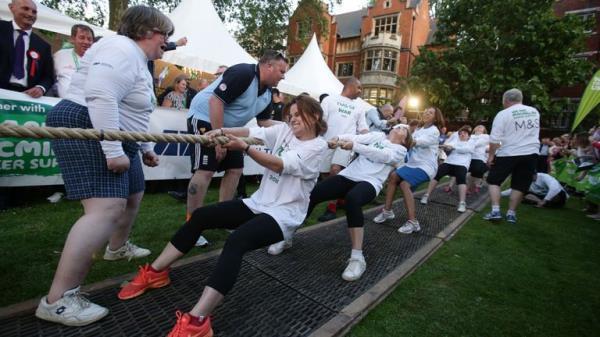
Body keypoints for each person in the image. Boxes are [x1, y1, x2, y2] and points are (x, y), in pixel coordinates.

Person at [117, 95, 327, 337]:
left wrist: (245, 148)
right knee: (201, 216)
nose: (293, 120)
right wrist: (220, 131)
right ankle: (155, 273)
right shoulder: (285, 131)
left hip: (284, 215)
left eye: (299, 115)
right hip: (259, 203)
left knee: (237, 241)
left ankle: (198, 321)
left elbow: (279, 164)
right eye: (290, 115)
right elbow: (250, 130)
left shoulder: (316, 146)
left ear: (316, 116)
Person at [34, 6, 172, 326]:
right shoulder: (122, 47)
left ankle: (116, 247)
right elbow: (100, 94)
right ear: (148, 32)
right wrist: (112, 150)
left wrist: (144, 147)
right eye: (165, 35)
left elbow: (134, 110)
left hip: (112, 128)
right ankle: (58, 300)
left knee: (134, 191)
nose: (167, 42)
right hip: (88, 121)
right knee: (107, 208)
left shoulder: (136, 58)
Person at [269, 125, 411, 281]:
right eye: (397, 126)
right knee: (313, 193)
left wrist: (355, 147)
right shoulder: (378, 136)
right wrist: (339, 138)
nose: (399, 127)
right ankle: (288, 235)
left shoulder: (401, 150)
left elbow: (383, 156)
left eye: (403, 128)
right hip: (348, 175)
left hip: (370, 182)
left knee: (353, 199)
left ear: (405, 139)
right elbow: (355, 137)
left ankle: (358, 258)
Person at [185, 51, 287, 247]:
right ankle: (191, 223)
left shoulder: (267, 93)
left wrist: (289, 127)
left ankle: (223, 217)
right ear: (268, 67)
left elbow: (264, 122)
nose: (283, 76)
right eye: (281, 71)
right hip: (205, 118)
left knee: (235, 170)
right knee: (206, 170)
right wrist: (218, 139)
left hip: (230, 129)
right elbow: (215, 101)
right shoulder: (243, 73)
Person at [373, 107, 445, 234]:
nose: (426, 113)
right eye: (426, 111)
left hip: (426, 166)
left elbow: (416, 142)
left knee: (404, 184)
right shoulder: (419, 129)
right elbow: (407, 141)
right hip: (412, 164)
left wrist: (400, 138)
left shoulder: (434, 131)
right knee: (394, 176)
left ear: (436, 117)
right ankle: (387, 211)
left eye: (431, 112)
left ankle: (413, 223)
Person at [483, 88, 540, 224]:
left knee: (493, 180)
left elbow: (494, 139)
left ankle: (495, 211)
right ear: (520, 99)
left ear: (506, 100)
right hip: (531, 152)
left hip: (509, 152)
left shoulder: (503, 114)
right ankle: (511, 213)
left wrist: (491, 156)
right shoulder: (534, 112)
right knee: (520, 184)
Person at [317, 77, 369, 222]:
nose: (360, 91)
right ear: (349, 86)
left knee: (335, 170)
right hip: (327, 142)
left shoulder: (359, 107)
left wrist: (371, 140)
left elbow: (363, 128)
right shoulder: (329, 100)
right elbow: (322, 120)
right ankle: (340, 198)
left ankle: (331, 208)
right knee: (326, 174)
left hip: (346, 144)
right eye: (359, 88)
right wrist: (319, 129)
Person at [0, 0, 54, 98]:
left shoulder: (44, 46)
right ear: (12, 8)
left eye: (34, 12)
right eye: (25, 8)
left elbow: (48, 76)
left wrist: (41, 88)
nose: (30, 14)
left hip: (27, 98)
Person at [421, 126, 474, 213]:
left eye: (465, 133)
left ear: (469, 136)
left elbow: (467, 149)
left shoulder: (471, 143)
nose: (462, 134)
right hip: (449, 162)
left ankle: (462, 203)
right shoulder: (454, 141)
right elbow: (447, 147)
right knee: (437, 176)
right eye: (461, 133)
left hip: (462, 165)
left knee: (461, 180)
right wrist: (446, 148)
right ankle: (426, 195)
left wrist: (453, 148)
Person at [53, 24, 94, 98]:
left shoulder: (97, 59)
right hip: (61, 103)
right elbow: (48, 77)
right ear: (72, 39)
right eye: (82, 38)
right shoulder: (60, 55)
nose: (86, 42)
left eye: (89, 39)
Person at [501, 172, 568, 208]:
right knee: (525, 195)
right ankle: (542, 203)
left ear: (535, 174)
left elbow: (555, 189)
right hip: (542, 197)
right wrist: (499, 194)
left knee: (556, 195)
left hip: (559, 195)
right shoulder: (526, 181)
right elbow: (515, 190)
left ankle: (544, 204)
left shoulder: (544, 177)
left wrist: (544, 201)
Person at [467, 125, 490, 193]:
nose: (480, 127)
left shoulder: (485, 136)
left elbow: (477, 144)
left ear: (484, 130)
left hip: (478, 157)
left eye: (482, 127)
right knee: (468, 172)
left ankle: (472, 186)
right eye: (478, 126)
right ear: (475, 128)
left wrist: (469, 144)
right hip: (468, 156)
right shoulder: (470, 136)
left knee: (476, 171)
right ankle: (468, 187)